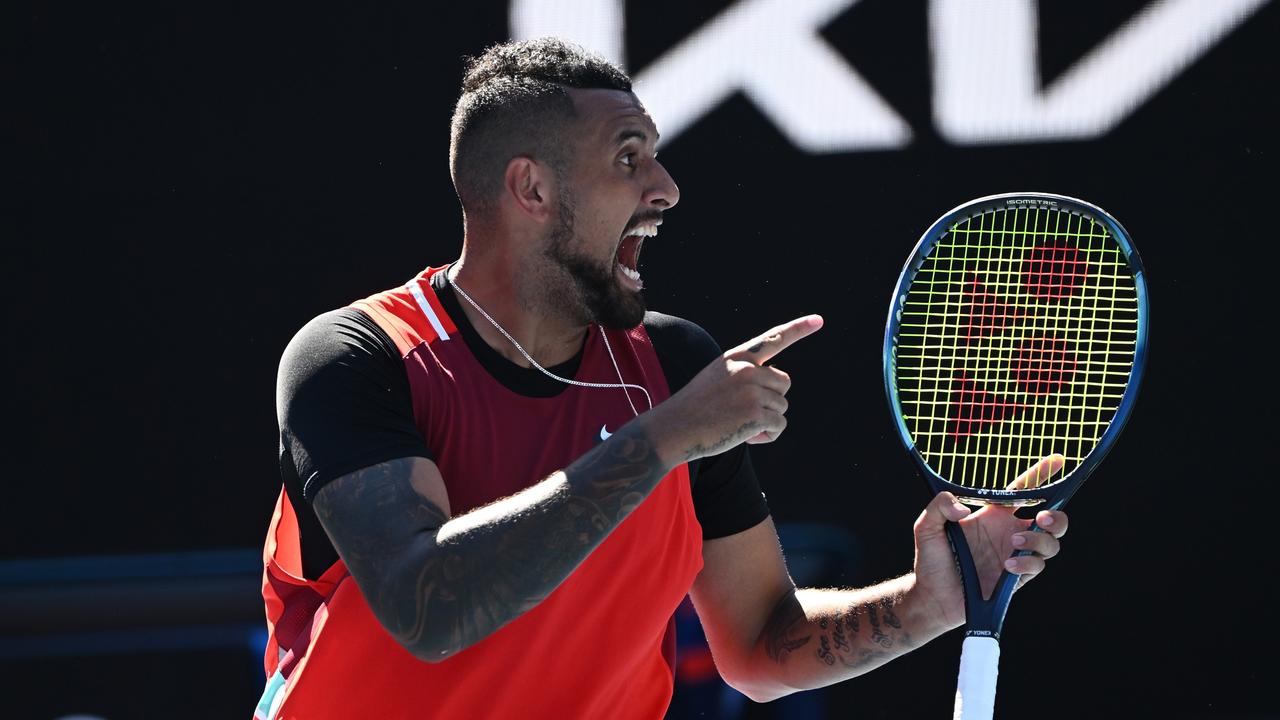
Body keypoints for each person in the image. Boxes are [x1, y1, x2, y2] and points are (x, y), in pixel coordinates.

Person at [258, 37, 1069, 720]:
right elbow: (426, 609)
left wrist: (928, 603)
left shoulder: (673, 367)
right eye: (628, 158)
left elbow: (758, 645)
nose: (666, 189)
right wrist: (667, 435)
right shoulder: (354, 357)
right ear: (531, 188)